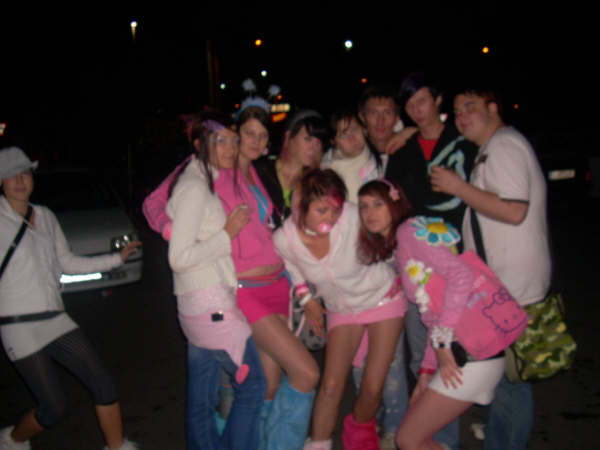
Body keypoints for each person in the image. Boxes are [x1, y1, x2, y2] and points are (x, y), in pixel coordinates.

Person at [356, 179, 524, 450]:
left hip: (470, 356)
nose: (369, 212)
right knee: (414, 439)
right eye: (363, 206)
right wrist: (426, 369)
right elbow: (432, 312)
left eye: (378, 204)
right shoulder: (400, 246)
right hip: (466, 356)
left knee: (408, 439)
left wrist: (443, 343)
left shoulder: (408, 232)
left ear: (395, 204)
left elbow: (461, 275)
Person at [430, 86, 551, 450]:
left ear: (493, 108)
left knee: (512, 383)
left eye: (470, 107)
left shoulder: (505, 145)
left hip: (514, 286)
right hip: (507, 283)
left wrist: (458, 187)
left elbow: (514, 210)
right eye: (457, 111)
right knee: (506, 379)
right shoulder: (492, 148)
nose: (462, 116)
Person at [0, 147, 140, 450]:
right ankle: (12, 441)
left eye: (25, 173)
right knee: (54, 407)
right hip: (18, 326)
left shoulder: (46, 217)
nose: (20, 181)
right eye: (11, 175)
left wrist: (115, 259)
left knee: (103, 383)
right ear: (1, 181)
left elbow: (68, 262)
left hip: (55, 318)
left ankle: (117, 447)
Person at [273, 169, 406, 450]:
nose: (331, 218)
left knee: (372, 387)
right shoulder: (284, 239)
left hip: (382, 299)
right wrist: (307, 299)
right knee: (331, 386)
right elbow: (291, 267)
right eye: (322, 210)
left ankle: (359, 436)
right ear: (300, 206)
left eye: (335, 210)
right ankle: (318, 444)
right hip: (341, 310)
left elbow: (390, 221)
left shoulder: (351, 215)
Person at [217, 107, 321, 450]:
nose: (256, 141)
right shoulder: (216, 172)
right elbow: (161, 205)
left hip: (278, 285)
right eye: (249, 133)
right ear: (235, 134)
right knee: (306, 372)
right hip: (246, 290)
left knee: (269, 387)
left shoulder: (259, 174)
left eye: (262, 135)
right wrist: (219, 236)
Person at [384, 72, 478, 449]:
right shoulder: (402, 150)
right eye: (409, 105)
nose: (417, 110)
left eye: (422, 100)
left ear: (438, 100)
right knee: (419, 356)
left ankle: (446, 439)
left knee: (448, 354)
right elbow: (392, 202)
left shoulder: (462, 142)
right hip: (415, 267)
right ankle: (430, 439)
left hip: (455, 264)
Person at [166, 114, 267, 450]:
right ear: (199, 144)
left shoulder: (199, 180)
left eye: (233, 141)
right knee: (253, 387)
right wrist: (227, 233)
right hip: (211, 305)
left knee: (202, 399)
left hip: (197, 306)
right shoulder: (194, 188)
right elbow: (179, 257)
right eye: (220, 140)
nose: (230, 148)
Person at [254, 109, 329, 229]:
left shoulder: (316, 184)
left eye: (318, 142)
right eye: (308, 139)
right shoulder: (261, 170)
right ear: (289, 137)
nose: (314, 148)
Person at [321, 108, 387, 203]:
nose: (351, 138)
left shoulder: (381, 160)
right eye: (343, 135)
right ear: (334, 143)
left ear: (363, 129)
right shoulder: (326, 173)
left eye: (354, 129)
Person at [358, 85, 417, 155]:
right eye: (373, 113)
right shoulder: (352, 153)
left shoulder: (413, 149)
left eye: (387, 113)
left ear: (397, 118)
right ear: (362, 117)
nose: (380, 121)